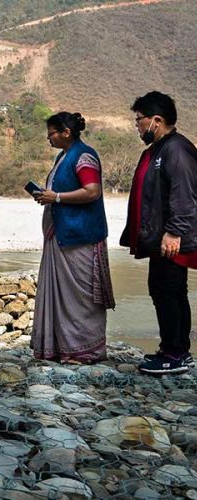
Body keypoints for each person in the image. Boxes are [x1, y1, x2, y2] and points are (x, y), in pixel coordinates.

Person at [120, 91, 197, 375]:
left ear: (156, 120)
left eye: (139, 120)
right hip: (160, 236)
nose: (137, 126)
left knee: (168, 291)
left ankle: (175, 354)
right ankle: (174, 350)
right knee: (167, 290)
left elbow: (185, 194)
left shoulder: (177, 149)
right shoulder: (157, 150)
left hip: (171, 238)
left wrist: (174, 232)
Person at [31, 111, 115, 364]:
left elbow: (92, 191)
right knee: (66, 295)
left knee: (81, 297)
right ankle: (64, 347)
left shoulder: (84, 156)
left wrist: (56, 197)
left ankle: (87, 350)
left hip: (80, 236)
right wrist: (49, 196)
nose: (49, 138)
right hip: (63, 234)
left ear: (66, 133)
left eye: (51, 134)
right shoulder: (64, 156)